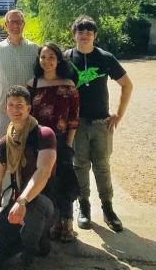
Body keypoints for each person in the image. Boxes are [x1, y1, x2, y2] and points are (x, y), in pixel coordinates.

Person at [65, 16, 133, 232]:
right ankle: (84, 207)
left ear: (94, 35)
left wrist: (119, 115)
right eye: (80, 31)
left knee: (102, 167)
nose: (84, 35)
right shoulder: (66, 58)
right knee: (80, 167)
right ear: (74, 34)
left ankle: (108, 208)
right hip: (76, 125)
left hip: (100, 123)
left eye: (89, 32)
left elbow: (127, 85)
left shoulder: (105, 57)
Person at [0, 86, 56, 270]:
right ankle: (25, 241)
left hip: (45, 203)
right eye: (11, 105)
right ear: (6, 108)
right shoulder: (5, 142)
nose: (15, 109)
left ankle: (32, 251)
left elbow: (43, 172)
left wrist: (22, 201)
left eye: (20, 105)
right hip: (16, 204)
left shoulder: (44, 134)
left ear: (29, 108)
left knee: (35, 208)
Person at [27, 42, 79, 242]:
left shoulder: (68, 84)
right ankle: (43, 226)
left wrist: (67, 144)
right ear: (38, 60)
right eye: (43, 57)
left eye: (51, 57)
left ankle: (64, 225)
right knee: (42, 182)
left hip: (61, 140)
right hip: (37, 142)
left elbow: (74, 118)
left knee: (63, 183)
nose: (47, 61)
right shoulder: (32, 84)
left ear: (58, 60)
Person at [0, 9, 38, 139]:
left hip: (29, 109)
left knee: (30, 149)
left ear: (24, 24)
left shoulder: (35, 49)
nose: (15, 26)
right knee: (4, 148)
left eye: (19, 22)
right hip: (6, 109)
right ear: (5, 25)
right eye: (12, 22)